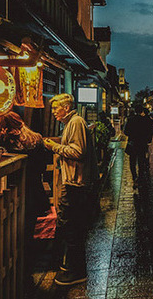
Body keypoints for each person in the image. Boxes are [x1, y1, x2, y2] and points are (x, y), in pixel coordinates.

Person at [43, 94, 98, 286]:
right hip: (75, 182)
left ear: (66, 108)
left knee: (71, 226)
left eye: (56, 109)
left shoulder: (75, 122)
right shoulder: (74, 123)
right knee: (72, 226)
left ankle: (76, 270)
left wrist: (55, 147)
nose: (54, 113)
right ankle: (73, 267)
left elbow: (78, 152)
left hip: (76, 183)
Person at [0, 112, 51, 279]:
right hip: (34, 188)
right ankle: (28, 267)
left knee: (12, 231)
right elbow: (42, 166)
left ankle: (15, 268)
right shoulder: (36, 138)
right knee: (28, 230)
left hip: (12, 189)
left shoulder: (4, 140)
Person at [123, 105, 153, 189]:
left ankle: (134, 177)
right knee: (141, 162)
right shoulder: (146, 120)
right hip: (142, 144)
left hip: (133, 143)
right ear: (142, 111)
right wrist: (148, 139)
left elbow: (125, 132)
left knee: (132, 161)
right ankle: (140, 178)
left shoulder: (130, 120)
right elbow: (151, 129)